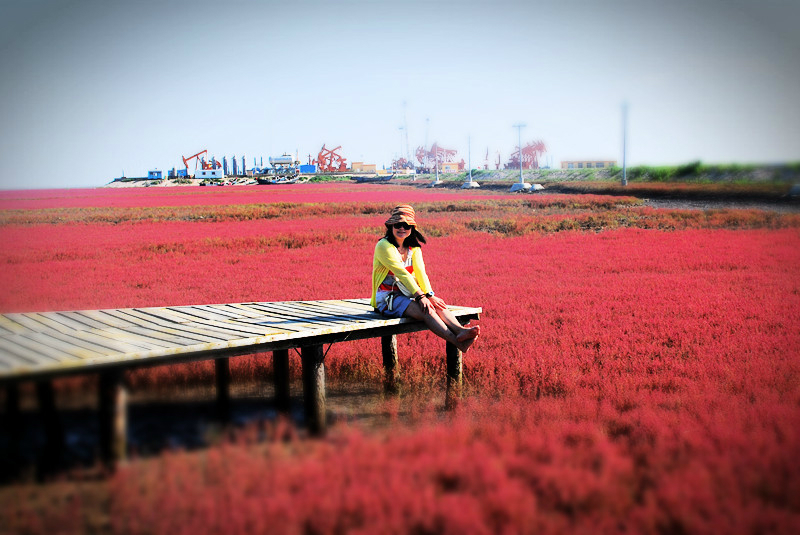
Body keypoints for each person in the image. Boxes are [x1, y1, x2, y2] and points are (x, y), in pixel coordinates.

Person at [371, 204, 480, 353]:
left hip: (408, 294)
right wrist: (421, 296)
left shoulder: (414, 248)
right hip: (387, 298)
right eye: (398, 225)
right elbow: (402, 273)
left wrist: (429, 295)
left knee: (436, 304)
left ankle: (460, 330)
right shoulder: (384, 246)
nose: (402, 228)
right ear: (391, 226)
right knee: (426, 310)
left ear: (412, 228)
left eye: (407, 225)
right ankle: (457, 342)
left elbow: (421, 273)